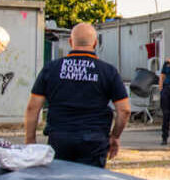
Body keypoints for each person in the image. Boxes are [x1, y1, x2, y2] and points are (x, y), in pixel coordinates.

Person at [24, 23, 130, 167]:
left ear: (70, 42)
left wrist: (30, 141)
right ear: (95, 43)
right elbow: (124, 110)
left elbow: (32, 108)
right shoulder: (108, 71)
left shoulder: (51, 69)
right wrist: (115, 136)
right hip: (94, 140)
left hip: (60, 139)